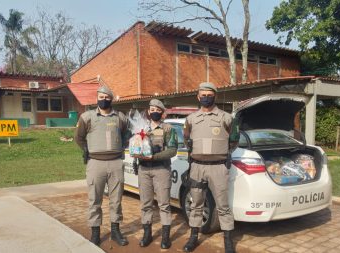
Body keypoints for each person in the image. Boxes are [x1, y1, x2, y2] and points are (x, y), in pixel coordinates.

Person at [182, 82, 239, 253]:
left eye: (209, 94)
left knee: (222, 205)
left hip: (218, 168)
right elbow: (187, 141)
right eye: (203, 94)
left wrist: (221, 153)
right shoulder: (190, 119)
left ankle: (228, 241)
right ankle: (193, 237)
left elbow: (234, 140)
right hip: (197, 167)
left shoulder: (226, 118)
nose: (206, 97)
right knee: (196, 203)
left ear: (215, 96)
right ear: (198, 97)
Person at [75, 86, 130, 247]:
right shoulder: (87, 117)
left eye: (107, 97)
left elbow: (126, 133)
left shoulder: (120, 117)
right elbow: (79, 138)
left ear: (111, 99)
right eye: (101, 96)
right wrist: (87, 150)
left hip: (115, 163)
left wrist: (120, 145)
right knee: (94, 199)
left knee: (116, 200)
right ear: (96, 98)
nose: (103, 99)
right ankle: (95, 233)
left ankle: (115, 231)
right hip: (95, 163)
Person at [133, 99, 178, 249]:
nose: (154, 112)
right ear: (148, 111)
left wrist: (154, 157)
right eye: (152, 109)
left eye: (157, 109)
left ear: (162, 112)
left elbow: (172, 150)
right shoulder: (142, 128)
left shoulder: (168, 129)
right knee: (145, 204)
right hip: (144, 170)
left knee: (164, 204)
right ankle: (147, 234)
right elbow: (135, 145)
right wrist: (136, 154)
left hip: (161, 170)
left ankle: (165, 237)